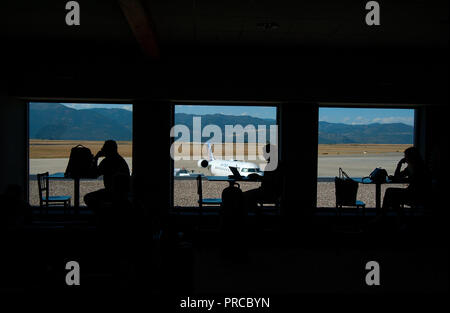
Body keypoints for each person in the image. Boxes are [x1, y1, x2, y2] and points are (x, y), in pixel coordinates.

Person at [381, 146, 431, 217]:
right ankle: (399, 218)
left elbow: (412, 180)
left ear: (410, 157)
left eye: (406, 156)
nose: (405, 158)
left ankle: (386, 216)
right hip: (412, 192)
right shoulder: (412, 167)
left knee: (390, 193)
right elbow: (397, 176)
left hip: (415, 194)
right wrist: (399, 164)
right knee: (391, 194)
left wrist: (399, 165)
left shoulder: (418, 168)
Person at [84, 140, 130, 212]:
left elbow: (94, 174)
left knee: (88, 198)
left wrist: (96, 158)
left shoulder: (106, 162)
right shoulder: (121, 161)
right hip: (123, 194)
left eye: (104, 148)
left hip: (111, 193)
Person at [243, 144, 284, 215]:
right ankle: (257, 212)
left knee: (244, 196)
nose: (264, 155)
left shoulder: (272, 165)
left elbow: (271, 182)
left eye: (265, 153)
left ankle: (257, 213)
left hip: (268, 192)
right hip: (271, 192)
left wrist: (258, 177)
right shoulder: (276, 164)